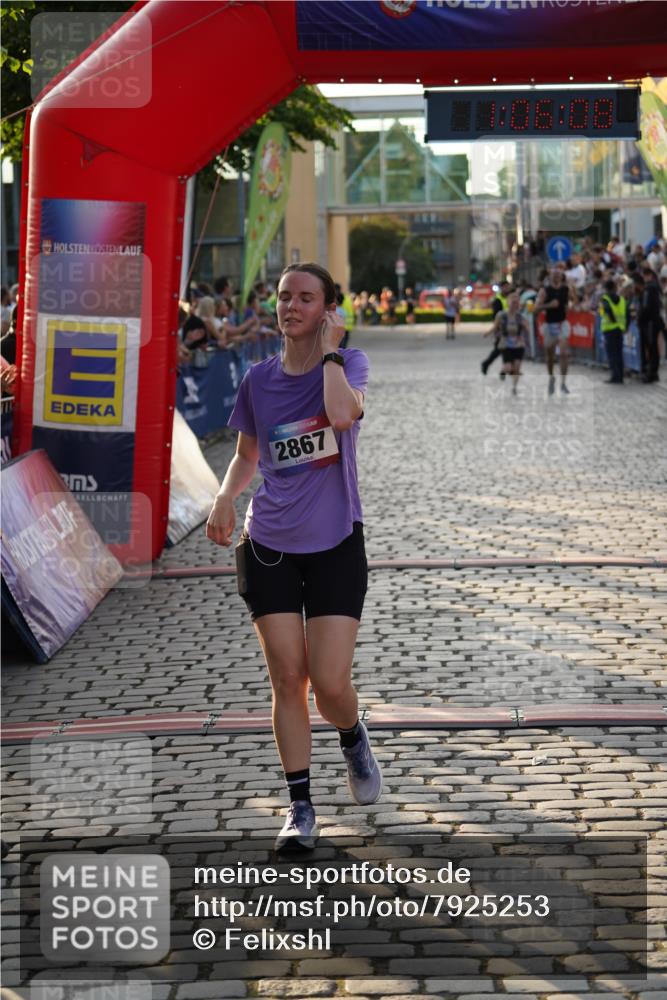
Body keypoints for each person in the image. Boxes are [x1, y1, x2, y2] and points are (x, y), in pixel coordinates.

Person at [206, 262, 381, 852]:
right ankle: (300, 807)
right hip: (269, 543)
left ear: (328, 309)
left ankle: (352, 735)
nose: (291, 306)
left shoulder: (349, 366)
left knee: (330, 684)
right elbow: (248, 454)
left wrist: (330, 355)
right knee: (288, 677)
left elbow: (340, 416)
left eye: (307, 298)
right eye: (285, 297)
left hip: (335, 541)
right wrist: (227, 496)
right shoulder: (257, 378)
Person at [535, 268, 574, 395]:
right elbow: (536, 309)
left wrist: (571, 304)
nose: (557, 277)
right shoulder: (544, 291)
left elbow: (574, 302)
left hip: (562, 324)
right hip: (550, 325)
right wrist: (548, 305)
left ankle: (563, 383)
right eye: (554, 275)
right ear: (550, 277)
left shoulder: (566, 289)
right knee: (550, 355)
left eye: (559, 275)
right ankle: (551, 377)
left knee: (563, 353)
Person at [494, 292, 529, 395]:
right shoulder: (501, 315)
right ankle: (504, 371)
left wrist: (527, 328)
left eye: (516, 302)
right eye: (513, 302)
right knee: (509, 367)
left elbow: (527, 327)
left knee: (517, 367)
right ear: (508, 302)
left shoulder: (520, 316)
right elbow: (495, 327)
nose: (515, 304)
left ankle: (514, 387)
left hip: (518, 345)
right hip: (506, 344)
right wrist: (490, 333)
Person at [598, 277, 627, 385]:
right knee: (619, 353)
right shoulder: (622, 299)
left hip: (609, 330)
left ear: (606, 288)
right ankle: (620, 376)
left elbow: (606, 311)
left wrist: (612, 320)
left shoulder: (605, 299)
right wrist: (624, 327)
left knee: (612, 354)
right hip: (620, 329)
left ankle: (615, 376)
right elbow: (627, 314)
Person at [634, 273, 661, 383]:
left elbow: (646, 308)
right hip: (651, 323)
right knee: (651, 348)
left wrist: (639, 319)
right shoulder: (647, 291)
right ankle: (651, 372)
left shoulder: (648, 291)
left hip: (650, 323)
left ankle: (652, 373)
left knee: (651, 348)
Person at [481, 281, 510, 376]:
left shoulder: (509, 297)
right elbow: (496, 316)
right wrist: (497, 329)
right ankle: (488, 364)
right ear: (501, 288)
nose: (507, 289)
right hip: (501, 328)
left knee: (503, 349)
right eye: (505, 287)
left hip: (510, 327)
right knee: (500, 349)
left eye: (508, 287)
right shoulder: (498, 300)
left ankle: (503, 368)